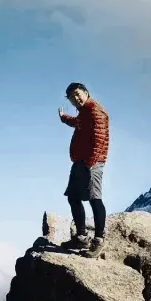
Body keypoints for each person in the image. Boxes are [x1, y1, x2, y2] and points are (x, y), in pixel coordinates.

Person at [58, 81, 109, 258]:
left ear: (86, 93)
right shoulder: (85, 112)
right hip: (81, 162)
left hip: (92, 163)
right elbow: (77, 122)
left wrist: (91, 162)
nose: (76, 98)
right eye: (72, 97)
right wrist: (64, 118)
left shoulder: (95, 110)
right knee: (73, 197)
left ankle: (99, 240)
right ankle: (81, 237)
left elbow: (100, 138)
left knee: (95, 198)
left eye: (78, 94)